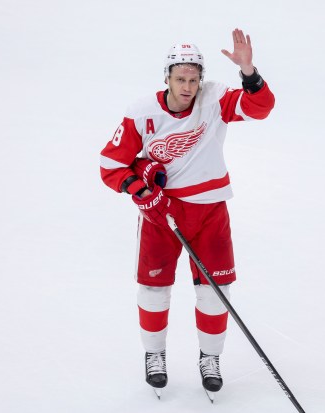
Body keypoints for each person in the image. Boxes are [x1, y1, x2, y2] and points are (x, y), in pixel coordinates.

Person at [99, 28, 275, 397]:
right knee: (153, 287)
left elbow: (261, 108)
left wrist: (249, 73)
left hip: (210, 210)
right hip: (161, 214)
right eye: (180, 78)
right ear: (166, 78)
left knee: (216, 291)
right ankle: (155, 355)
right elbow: (110, 164)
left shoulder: (215, 99)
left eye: (194, 79)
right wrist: (140, 190)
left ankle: (210, 359)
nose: (187, 86)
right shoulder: (141, 112)